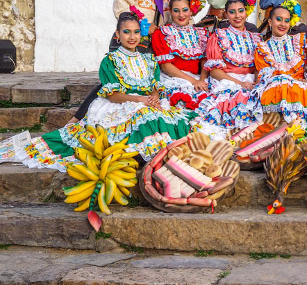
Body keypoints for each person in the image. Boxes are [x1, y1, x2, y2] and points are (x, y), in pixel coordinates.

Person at [24, 13, 193, 169]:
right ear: (118, 35)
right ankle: (146, 156)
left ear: (141, 34)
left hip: (146, 102)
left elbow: (155, 87)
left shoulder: (149, 60)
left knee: (176, 119)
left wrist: (154, 99)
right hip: (120, 103)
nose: (132, 37)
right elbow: (113, 95)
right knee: (145, 117)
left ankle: (166, 156)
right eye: (126, 32)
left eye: (135, 32)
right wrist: (142, 101)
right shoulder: (110, 61)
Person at [70, 0, 179, 123]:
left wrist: (168, 31)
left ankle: (146, 114)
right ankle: (78, 118)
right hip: (134, 33)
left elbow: (172, 7)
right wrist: (143, 27)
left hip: (159, 37)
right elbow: (122, 6)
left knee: (149, 78)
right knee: (115, 79)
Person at [194, 0, 264, 133]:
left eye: (241, 11)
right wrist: (240, 83)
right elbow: (214, 71)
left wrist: (258, 82)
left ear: (246, 12)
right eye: (232, 12)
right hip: (227, 81)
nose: (237, 16)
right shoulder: (218, 36)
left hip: (251, 81)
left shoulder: (256, 38)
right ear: (225, 14)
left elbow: (258, 67)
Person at [254, 5, 307, 128]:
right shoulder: (262, 48)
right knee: (284, 86)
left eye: (287, 20)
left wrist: (306, 78)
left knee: (302, 88)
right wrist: (287, 79)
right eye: (279, 19)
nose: (283, 24)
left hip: (300, 85)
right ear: (270, 22)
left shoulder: (300, 41)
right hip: (275, 87)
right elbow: (264, 75)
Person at [150, 0, 210, 110]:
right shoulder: (163, 33)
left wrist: (202, 80)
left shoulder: (202, 33)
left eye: (185, 10)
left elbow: (204, 61)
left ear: (191, 11)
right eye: (176, 11)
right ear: (171, 13)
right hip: (174, 78)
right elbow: (166, 66)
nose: (181, 15)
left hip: (198, 78)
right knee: (184, 103)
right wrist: (193, 82)